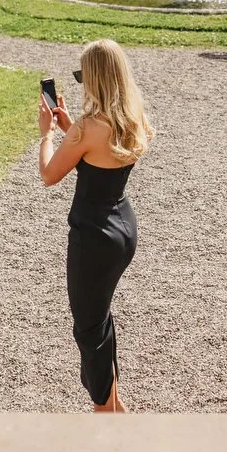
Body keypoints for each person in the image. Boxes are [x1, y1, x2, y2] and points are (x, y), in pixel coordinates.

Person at [38, 39, 153, 412]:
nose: (80, 83)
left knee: (88, 329)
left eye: (81, 76)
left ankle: (104, 411)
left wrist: (48, 134)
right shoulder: (130, 118)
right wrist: (71, 127)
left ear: (96, 80)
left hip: (93, 235)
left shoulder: (87, 128)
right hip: (122, 226)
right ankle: (115, 406)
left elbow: (49, 174)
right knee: (100, 318)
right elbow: (99, 159)